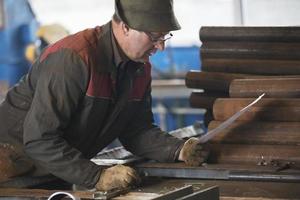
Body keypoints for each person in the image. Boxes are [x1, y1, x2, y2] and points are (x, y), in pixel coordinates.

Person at [0, 0, 209, 191]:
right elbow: (40, 140)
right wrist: (97, 176)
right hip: (11, 176)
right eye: (154, 37)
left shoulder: (139, 69)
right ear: (125, 27)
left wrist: (179, 150)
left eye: (165, 36)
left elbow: (136, 131)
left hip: (53, 175)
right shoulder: (74, 60)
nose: (161, 46)